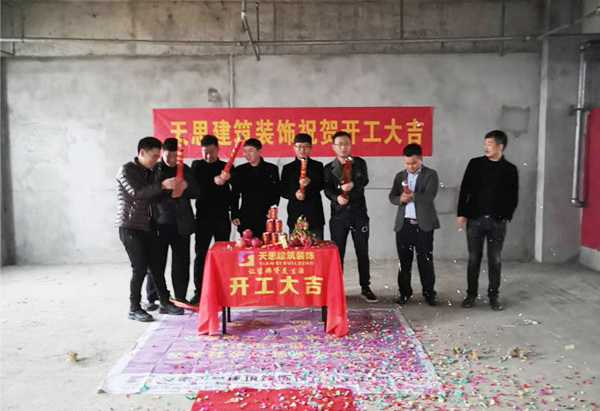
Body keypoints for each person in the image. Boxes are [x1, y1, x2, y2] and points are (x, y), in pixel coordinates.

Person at [115, 137, 185, 322]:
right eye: (154, 156)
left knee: (156, 267)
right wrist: (162, 185)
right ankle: (134, 308)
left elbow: (155, 198)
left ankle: (164, 302)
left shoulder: (151, 172)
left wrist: (172, 192)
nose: (156, 159)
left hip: (149, 225)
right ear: (142, 153)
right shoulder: (126, 170)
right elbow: (136, 193)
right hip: (130, 225)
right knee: (139, 268)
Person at [457, 130, 519, 310]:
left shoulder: (510, 169)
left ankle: (493, 296)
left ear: (500, 146)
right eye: (485, 144)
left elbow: (513, 196)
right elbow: (465, 190)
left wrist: (505, 216)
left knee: (495, 259)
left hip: (497, 222)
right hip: (475, 220)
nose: (486, 147)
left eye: (489, 144)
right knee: (474, 258)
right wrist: (462, 213)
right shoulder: (475, 164)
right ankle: (471, 295)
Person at [324, 131, 377, 303]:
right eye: (339, 144)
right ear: (333, 147)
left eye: (346, 143)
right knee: (338, 253)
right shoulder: (328, 168)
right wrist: (336, 198)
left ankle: (365, 287)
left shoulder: (359, 163)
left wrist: (353, 184)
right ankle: (337, 288)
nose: (343, 147)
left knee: (362, 251)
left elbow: (364, 180)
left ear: (350, 145)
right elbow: (327, 189)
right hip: (339, 215)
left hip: (359, 213)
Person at [146, 138, 198, 307]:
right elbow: (146, 194)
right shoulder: (153, 170)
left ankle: (180, 296)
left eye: (175, 156)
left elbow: (197, 192)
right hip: (159, 223)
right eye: (168, 156)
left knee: (181, 263)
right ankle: (153, 297)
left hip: (181, 224)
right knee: (156, 263)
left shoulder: (185, 169)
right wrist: (164, 187)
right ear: (162, 153)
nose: (171, 160)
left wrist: (185, 186)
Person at [389, 144, 440, 306]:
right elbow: (392, 196)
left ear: (421, 159)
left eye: (414, 163)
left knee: (425, 260)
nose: (410, 167)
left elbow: (429, 196)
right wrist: (400, 199)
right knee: (404, 262)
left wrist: (412, 195)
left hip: (423, 225)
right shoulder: (400, 176)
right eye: (407, 163)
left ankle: (429, 293)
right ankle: (404, 292)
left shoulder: (430, 174)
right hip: (404, 225)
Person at [189, 135, 236, 306]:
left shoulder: (227, 167)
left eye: (211, 152)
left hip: (222, 218)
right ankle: (199, 292)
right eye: (205, 152)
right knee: (201, 255)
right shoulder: (196, 166)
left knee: (223, 256)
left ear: (218, 149)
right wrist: (214, 181)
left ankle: (223, 291)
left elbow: (235, 192)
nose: (208, 156)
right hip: (203, 218)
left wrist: (229, 178)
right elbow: (195, 189)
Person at [230, 138, 280, 238]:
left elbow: (276, 192)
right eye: (245, 151)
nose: (247, 154)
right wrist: (234, 214)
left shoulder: (271, 169)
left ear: (259, 151)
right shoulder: (240, 170)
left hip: (265, 215)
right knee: (246, 244)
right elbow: (234, 194)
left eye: (250, 151)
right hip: (246, 216)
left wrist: (273, 210)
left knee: (266, 244)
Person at [280, 133, 325, 239]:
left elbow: (322, 185)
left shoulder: (318, 166)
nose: (302, 149)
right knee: (296, 247)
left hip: (314, 215)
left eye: (305, 146)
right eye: (299, 146)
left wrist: (311, 182)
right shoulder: (288, 168)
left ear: (310, 148)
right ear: (294, 147)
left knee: (316, 246)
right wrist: (294, 195)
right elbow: (283, 190)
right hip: (295, 215)